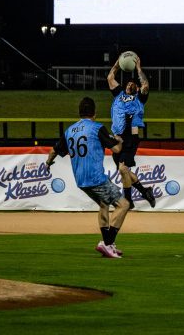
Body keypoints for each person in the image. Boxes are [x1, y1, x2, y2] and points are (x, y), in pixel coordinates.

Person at [45, 96, 128, 259]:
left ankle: (109, 245)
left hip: (81, 181)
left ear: (79, 113)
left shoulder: (69, 130)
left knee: (104, 204)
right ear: (94, 113)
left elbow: (54, 150)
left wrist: (48, 163)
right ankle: (107, 243)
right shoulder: (97, 127)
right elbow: (117, 149)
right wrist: (119, 140)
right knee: (123, 205)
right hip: (96, 178)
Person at [107, 53, 156, 209]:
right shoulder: (119, 94)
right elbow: (110, 78)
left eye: (133, 84)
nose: (130, 85)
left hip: (130, 137)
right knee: (124, 171)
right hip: (116, 138)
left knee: (123, 169)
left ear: (136, 88)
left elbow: (146, 85)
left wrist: (138, 68)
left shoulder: (139, 98)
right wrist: (117, 63)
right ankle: (144, 191)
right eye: (128, 83)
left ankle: (128, 201)